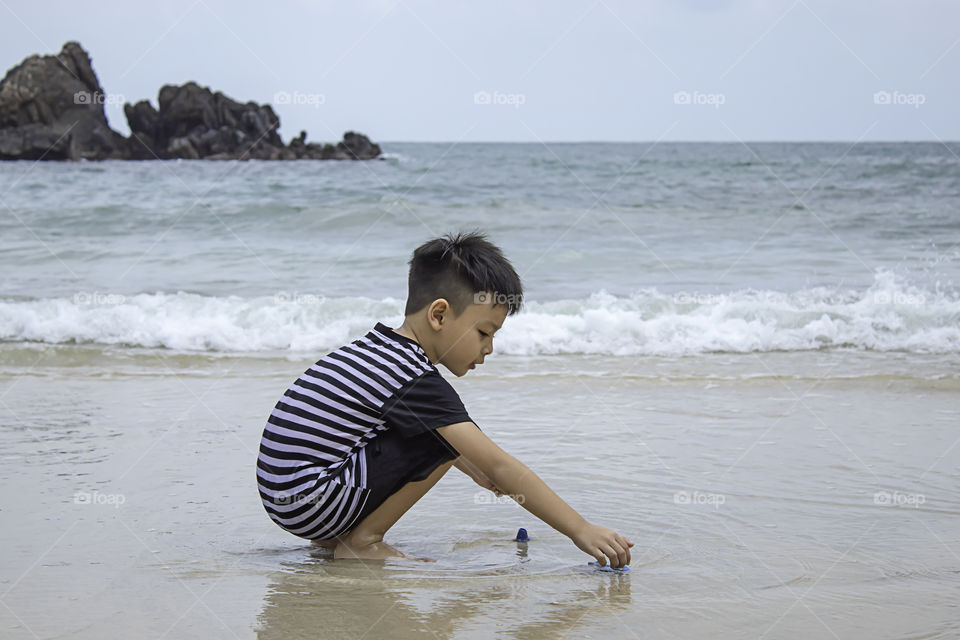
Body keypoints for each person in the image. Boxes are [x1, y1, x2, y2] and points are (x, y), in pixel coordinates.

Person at [256, 231, 633, 568]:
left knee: (443, 435)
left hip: (287, 497)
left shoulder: (379, 349)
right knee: (444, 437)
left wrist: (473, 470)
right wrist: (581, 529)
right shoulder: (412, 376)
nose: (489, 348)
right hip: (311, 503)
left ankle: (342, 534)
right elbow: (500, 464)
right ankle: (363, 542)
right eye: (485, 332)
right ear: (439, 314)